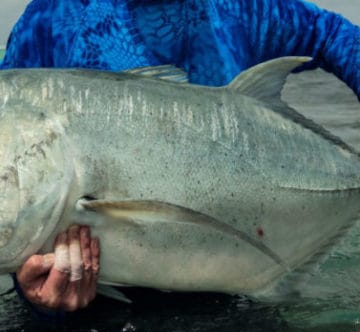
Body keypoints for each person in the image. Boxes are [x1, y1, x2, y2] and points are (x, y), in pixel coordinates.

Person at [1, 0, 359, 313]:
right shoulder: (51, 18)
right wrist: (39, 295)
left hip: (237, 311)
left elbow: (330, 34)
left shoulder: (240, 7)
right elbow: (21, 223)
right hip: (93, 327)